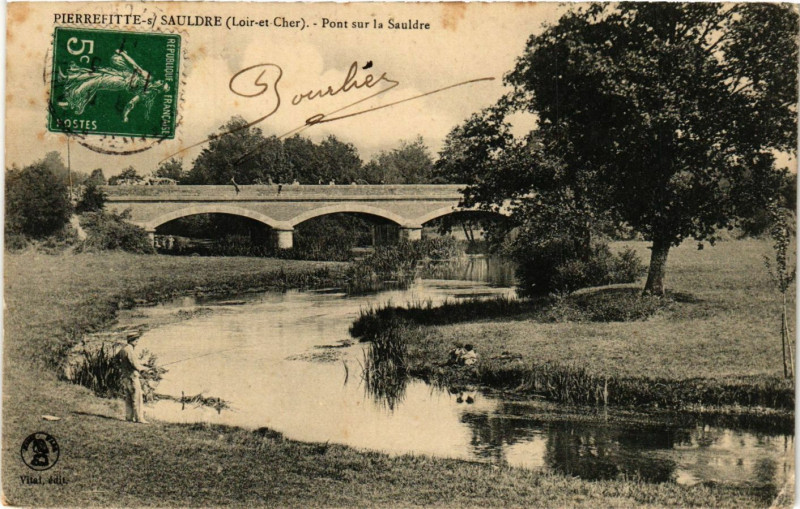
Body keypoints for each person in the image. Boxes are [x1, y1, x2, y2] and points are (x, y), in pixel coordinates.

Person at [118, 331, 149, 423]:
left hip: (125, 377)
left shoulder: (123, 350)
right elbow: (135, 365)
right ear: (132, 340)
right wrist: (145, 369)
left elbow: (115, 360)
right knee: (137, 398)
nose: (137, 341)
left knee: (128, 397)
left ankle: (129, 417)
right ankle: (139, 418)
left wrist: (122, 368)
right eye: (136, 339)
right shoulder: (130, 350)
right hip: (132, 377)